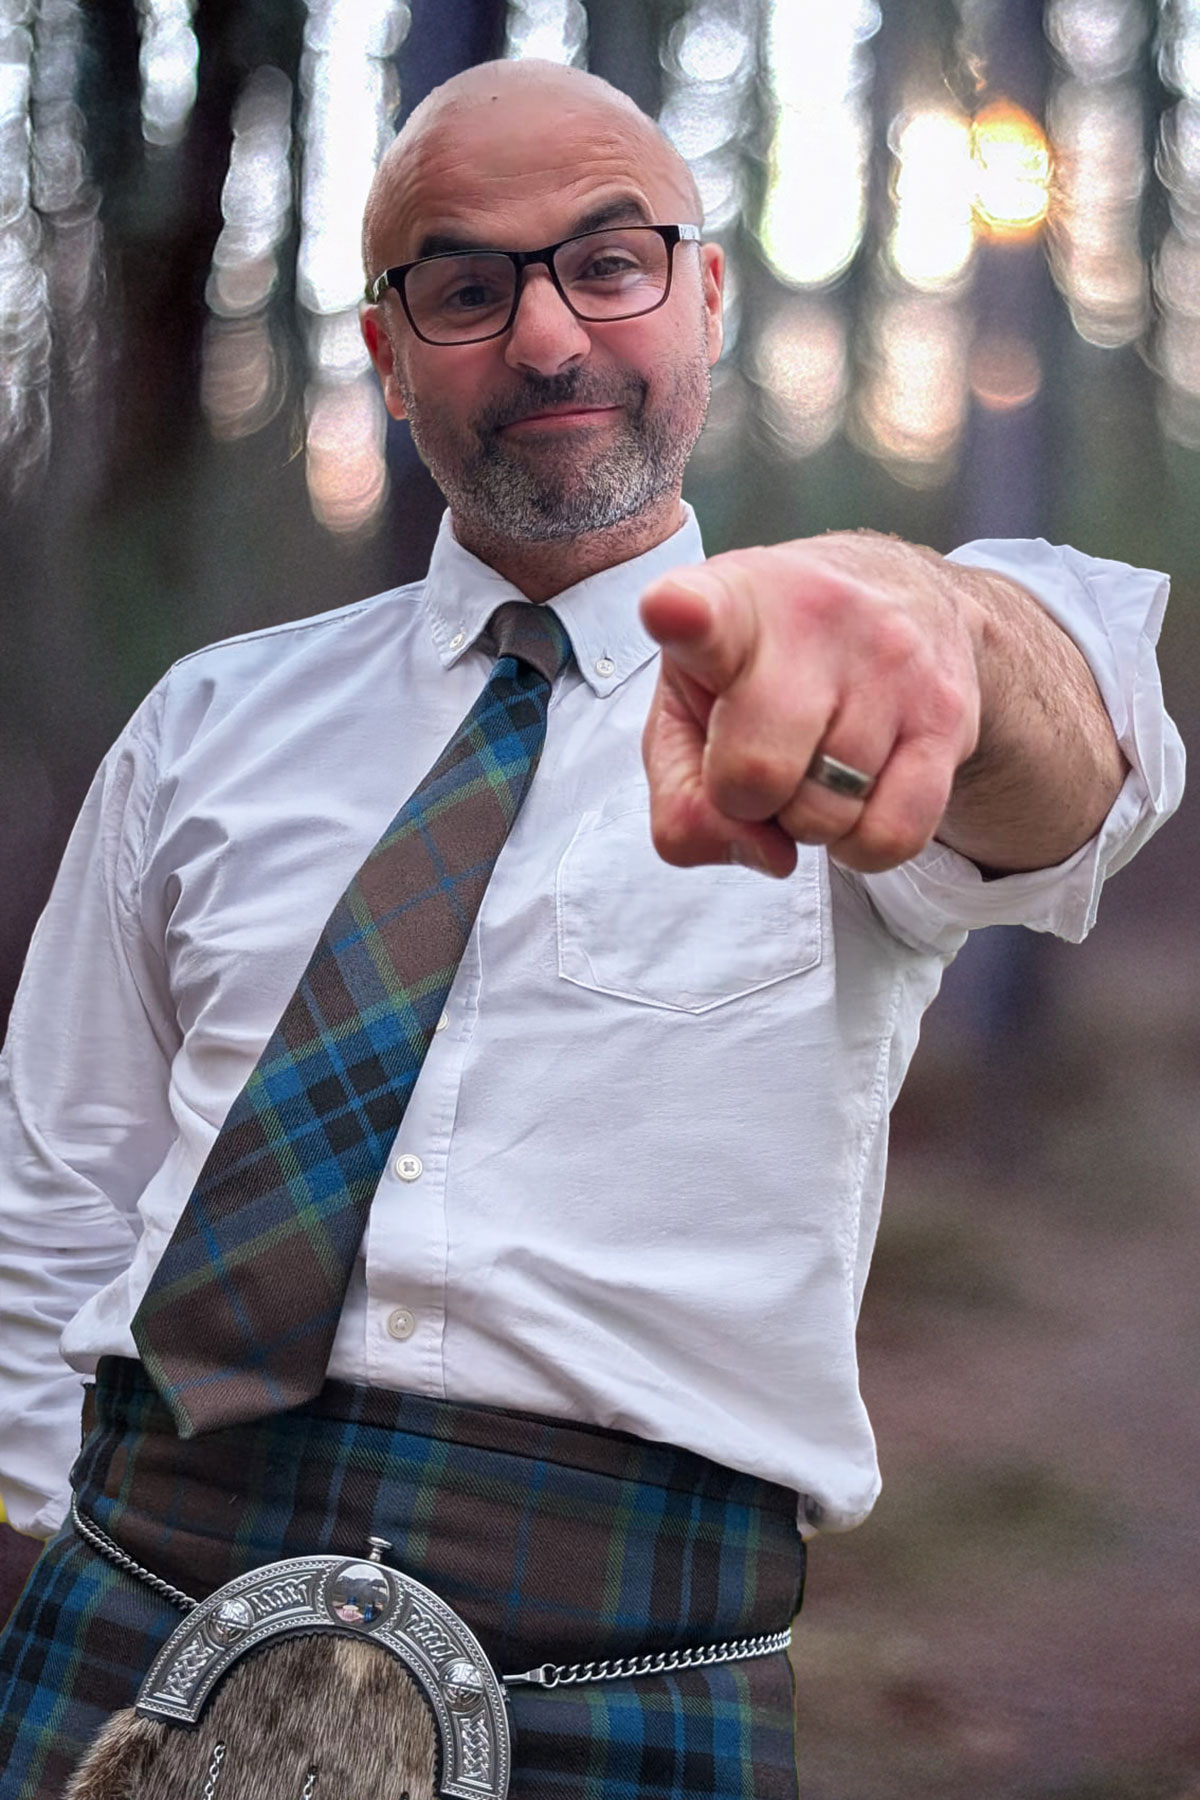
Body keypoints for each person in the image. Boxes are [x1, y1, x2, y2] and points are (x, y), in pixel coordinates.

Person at [0, 55, 1183, 1800]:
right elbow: (65, 1177)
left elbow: (1079, 767)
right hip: (133, 1600)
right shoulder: (203, 725)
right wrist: (48, 1541)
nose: (548, 335)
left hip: (632, 1653)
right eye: (468, 287)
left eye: (610, 261)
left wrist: (933, 614)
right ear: (390, 358)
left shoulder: (831, 693)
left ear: (703, 294)